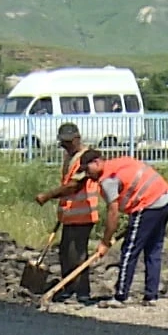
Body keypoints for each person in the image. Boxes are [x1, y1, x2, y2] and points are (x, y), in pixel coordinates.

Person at [84, 151, 168, 305]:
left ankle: (121, 295)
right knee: (153, 250)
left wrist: (105, 242)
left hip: (147, 204)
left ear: (97, 162)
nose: (87, 174)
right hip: (164, 199)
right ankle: (151, 296)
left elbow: (113, 214)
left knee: (129, 251)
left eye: (87, 169)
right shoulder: (119, 162)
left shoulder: (108, 181)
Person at [34, 128, 102, 304]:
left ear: (77, 138)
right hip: (70, 213)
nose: (65, 145)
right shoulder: (68, 157)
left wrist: (48, 195)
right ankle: (68, 288)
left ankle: (81, 292)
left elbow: (73, 186)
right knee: (65, 251)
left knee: (77, 253)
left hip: (83, 214)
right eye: (63, 142)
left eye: (68, 141)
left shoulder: (86, 158)